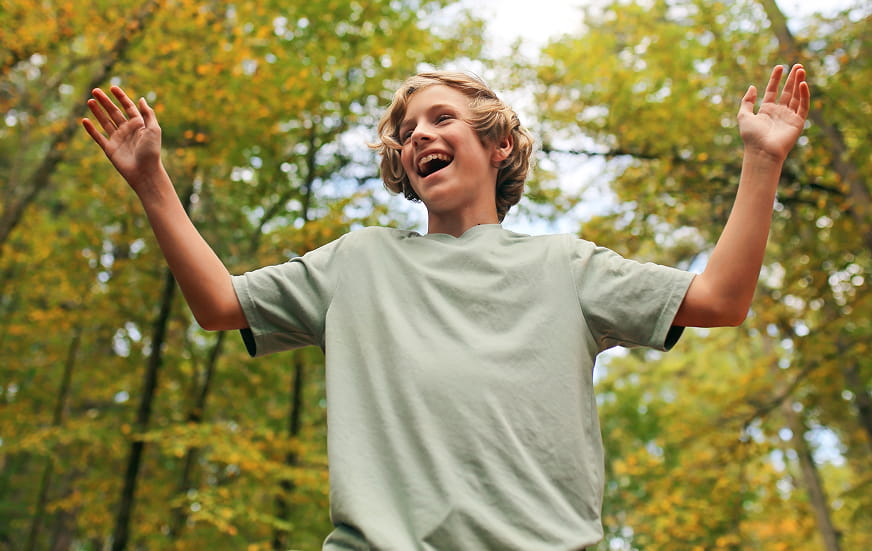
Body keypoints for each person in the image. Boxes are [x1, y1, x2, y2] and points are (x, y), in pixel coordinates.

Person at [82, 64, 810, 550]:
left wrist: (763, 161)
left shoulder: (567, 267)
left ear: (497, 145)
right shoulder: (358, 262)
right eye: (406, 133)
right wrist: (151, 179)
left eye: (442, 119)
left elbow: (720, 298)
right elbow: (217, 304)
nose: (418, 135)